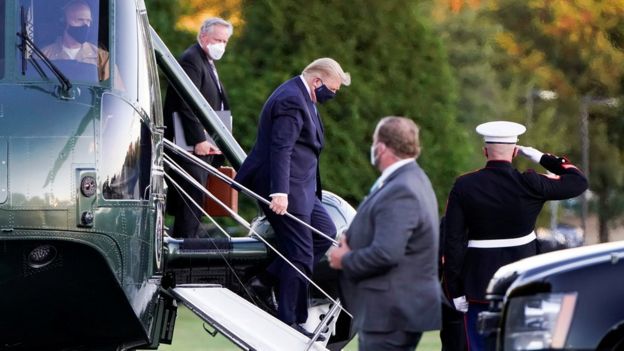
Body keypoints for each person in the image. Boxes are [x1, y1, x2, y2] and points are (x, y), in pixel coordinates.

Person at [442, 121, 588, 350]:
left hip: (478, 286)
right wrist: (541, 157)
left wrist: (455, 290)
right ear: (514, 152)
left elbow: (452, 243)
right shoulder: (530, 183)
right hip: (523, 284)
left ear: (485, 151)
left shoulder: (465, 186)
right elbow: (578, 181)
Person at [235, 58, 351, 338]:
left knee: (325, 233)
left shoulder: (304, 97)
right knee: (299, 253)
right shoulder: (291, 100)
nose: (333, 95)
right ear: (316, 81)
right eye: (332, 89)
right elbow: (281, 148)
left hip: (304, 189)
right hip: (285, 188)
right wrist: (279, 192)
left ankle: (266, 278)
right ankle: (289, 321)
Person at [328, 116, 441, 351]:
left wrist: (345, 258)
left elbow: (387, 253)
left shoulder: (402, 189)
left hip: (390, 313)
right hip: (392, 310)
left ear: (381, 148)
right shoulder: (410, 179)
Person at [163, 17, 233, 238]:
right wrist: (198, 140)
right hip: (191, 146)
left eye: (224, 41)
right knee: (191, 199)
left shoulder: (207, 62)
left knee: (197, 202)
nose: (221, 45)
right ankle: (185, 249)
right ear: (203, 37)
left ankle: (186, 242)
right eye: (217, 39)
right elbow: (186, 101)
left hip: (207, 145)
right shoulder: (191, 60)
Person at [41, 0, 111, 82]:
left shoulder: (103, 58)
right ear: (63, 22)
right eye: (79, 20)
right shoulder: (43, 56)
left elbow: (114, 92)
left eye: (88, 21)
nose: (85, 25)